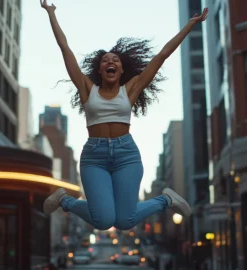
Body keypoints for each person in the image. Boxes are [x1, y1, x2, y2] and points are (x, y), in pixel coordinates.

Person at [41, 0, 208, 231]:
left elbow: (162, 55)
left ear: (121, 70)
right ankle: (64, 200)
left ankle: (165, 200)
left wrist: (190, 25)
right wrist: (51, 13)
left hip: (126, 155)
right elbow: (64, 47)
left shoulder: (130, 89)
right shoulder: (87, 89)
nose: (110, 62)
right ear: (100, 70)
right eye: (105, 61)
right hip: (94, 157)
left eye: (115, 60)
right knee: (103, 220)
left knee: (124, 221)